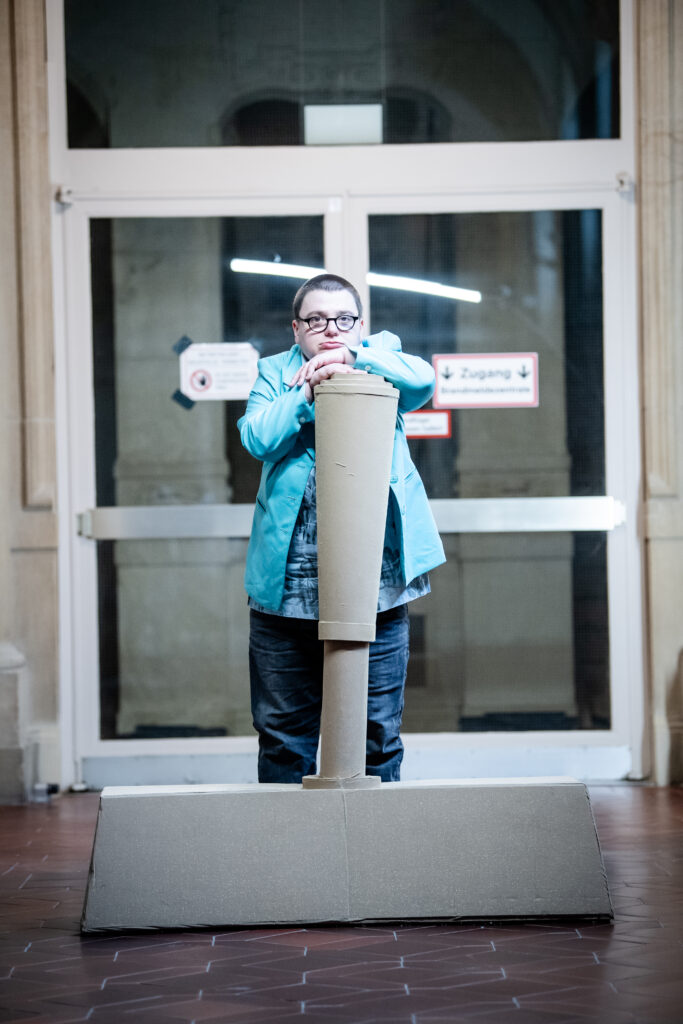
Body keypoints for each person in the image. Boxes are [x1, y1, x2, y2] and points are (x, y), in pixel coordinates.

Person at [238, 273, 444, 783]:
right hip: (286, 590)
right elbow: (256, 437)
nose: (330, 329)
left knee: (377, 736)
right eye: (315, 320)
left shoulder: (383, 357)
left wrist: (354, 361)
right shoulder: (274, 372)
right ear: (296, 329)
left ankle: (378, 857)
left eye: (343, 320)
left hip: (375, 586)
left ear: (360, 325)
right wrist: (307, 388)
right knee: (285, 738)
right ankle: (289, 858)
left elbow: (423, 383)